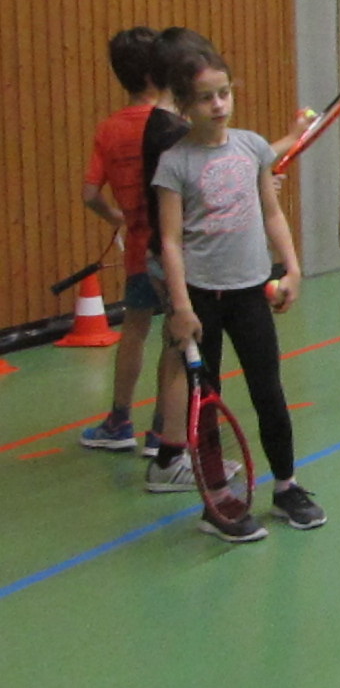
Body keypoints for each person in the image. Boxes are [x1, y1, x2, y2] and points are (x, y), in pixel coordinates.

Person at [153, 29, 325, 542]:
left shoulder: (251, 147)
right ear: (184, 105)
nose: (218, 105)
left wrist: (291, 267)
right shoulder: (174, 163)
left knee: (269, 390)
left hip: (251, 293)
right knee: (206, 400)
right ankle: (216, 502)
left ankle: (287, 486)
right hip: (201, 300)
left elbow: (271, 212)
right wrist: (181, 308)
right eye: (206, 98)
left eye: (224, 93)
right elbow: (170, 242)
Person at [78, 27, 171, 455]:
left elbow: (90, 194)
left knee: (134, 329)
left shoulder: (109, 129)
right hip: (173, 248)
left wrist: (118, 216)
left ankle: (119, 421)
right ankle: (163, 429)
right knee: (176, 334)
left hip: (137, 247)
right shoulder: (172, 123)